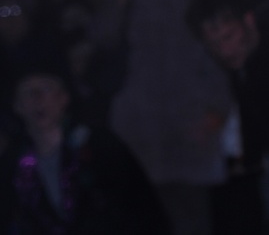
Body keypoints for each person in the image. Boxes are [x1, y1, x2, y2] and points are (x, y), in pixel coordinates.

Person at [98, 0, 233, 235]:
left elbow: (219, 57)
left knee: (190, 218)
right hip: (137, 128)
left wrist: (215, 113)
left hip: (191, 125)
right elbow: (101, 40)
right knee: (140, 217)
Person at [186, 0, 269, 235]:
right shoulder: (245, 66)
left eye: (228, 37)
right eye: (214, 44)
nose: (224, 51)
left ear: (249, 21)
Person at [0, 67, 169, 235]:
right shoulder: (12, 163)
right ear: (18, 106)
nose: (38, 99)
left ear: (63, 99)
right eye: (28, 92)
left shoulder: (99, 145)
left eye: (47, 88)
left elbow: (142, 205)